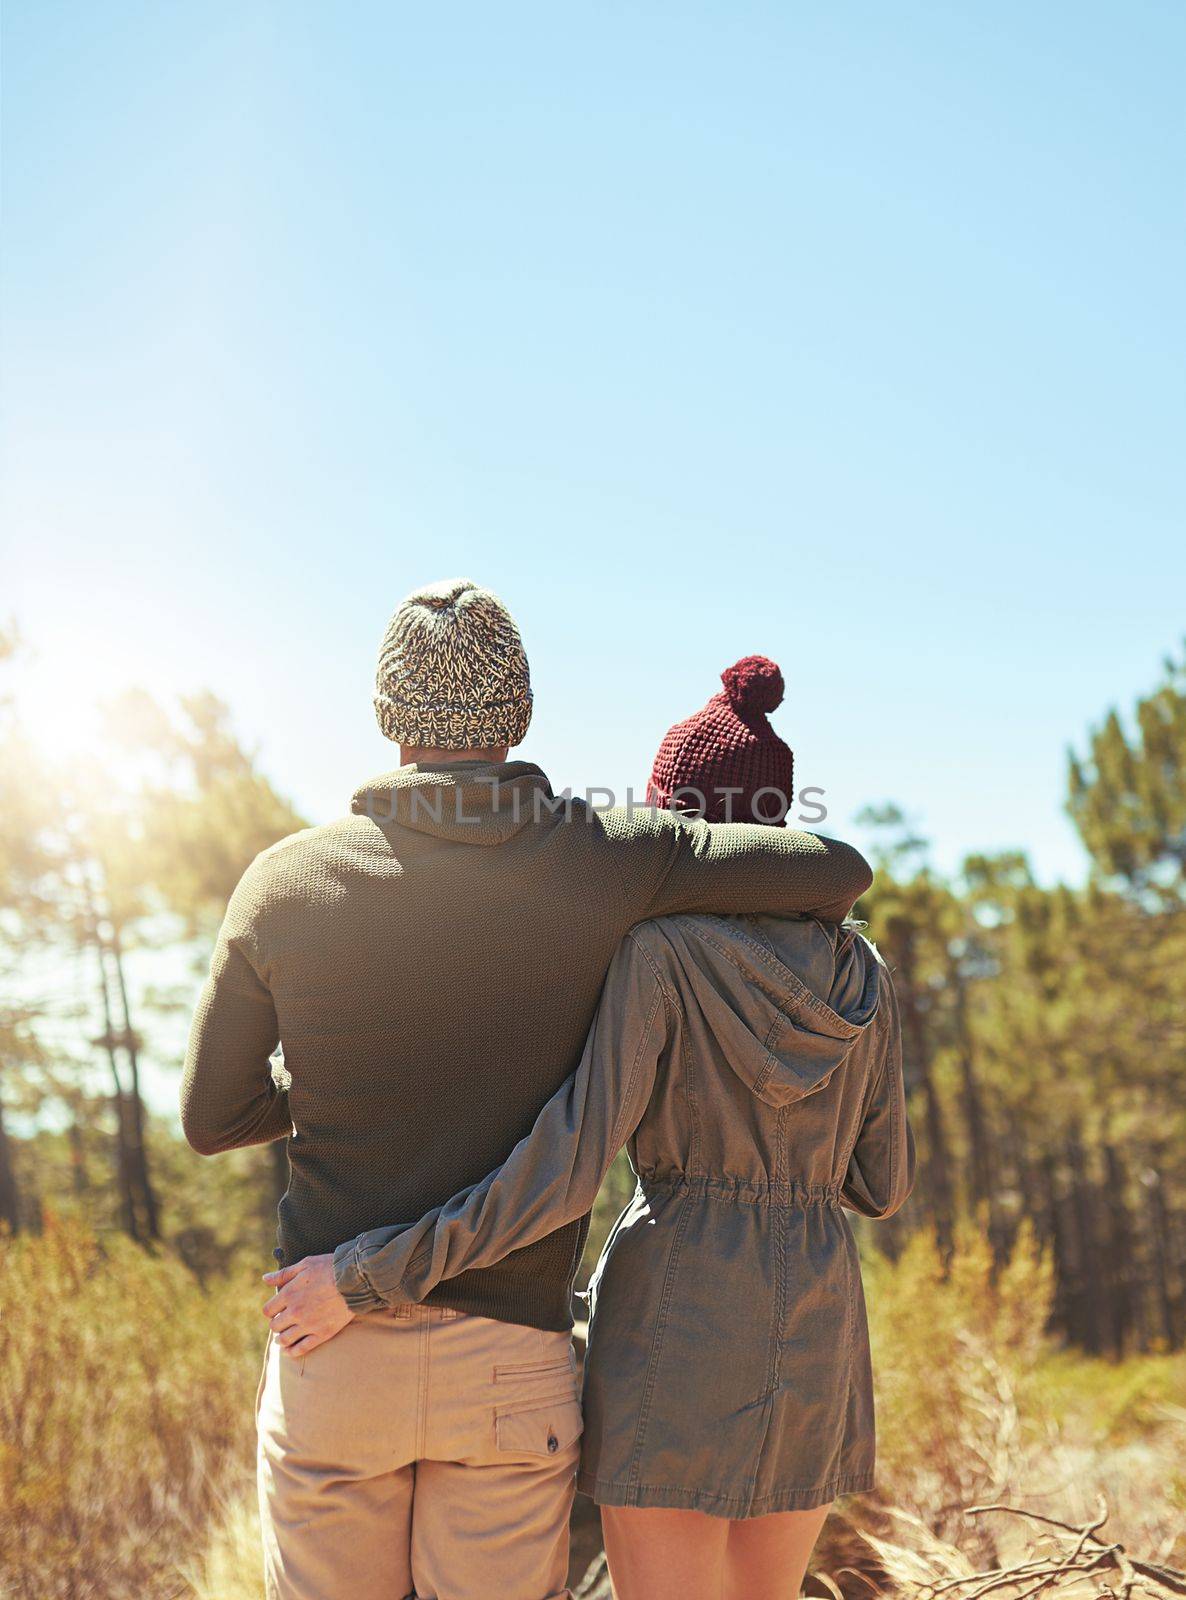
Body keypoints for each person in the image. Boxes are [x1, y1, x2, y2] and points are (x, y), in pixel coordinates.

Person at [182, 581, 873, 1600]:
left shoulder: (283, 882)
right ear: (520, 716)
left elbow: (212, 1115)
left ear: (384, 716)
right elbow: (834, 868)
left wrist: (338, 1071)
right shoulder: (609, 857)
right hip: (509, 1366)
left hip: (333, 1345)